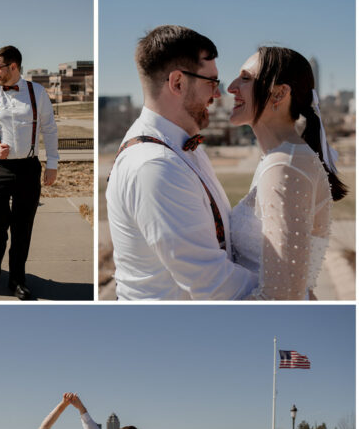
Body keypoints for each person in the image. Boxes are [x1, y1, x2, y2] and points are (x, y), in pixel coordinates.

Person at [106, 24, 257, 301]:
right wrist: (288, 288)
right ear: (177, 83)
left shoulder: (181, 144)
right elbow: (212, 282)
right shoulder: (154, 166)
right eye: (212, 82)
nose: (219, 94)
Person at [228, 47, 348, 300]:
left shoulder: (284, 166)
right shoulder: (281, 159)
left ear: (279, 93)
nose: (231, 87)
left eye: (246, 78)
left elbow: (282, 294)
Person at [0, 45, 59, 300]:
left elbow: (50, 129)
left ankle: (18, 279)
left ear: (14, 67)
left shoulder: (37, 92)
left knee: (22, 228)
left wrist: (52, 163)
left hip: (29, 168)